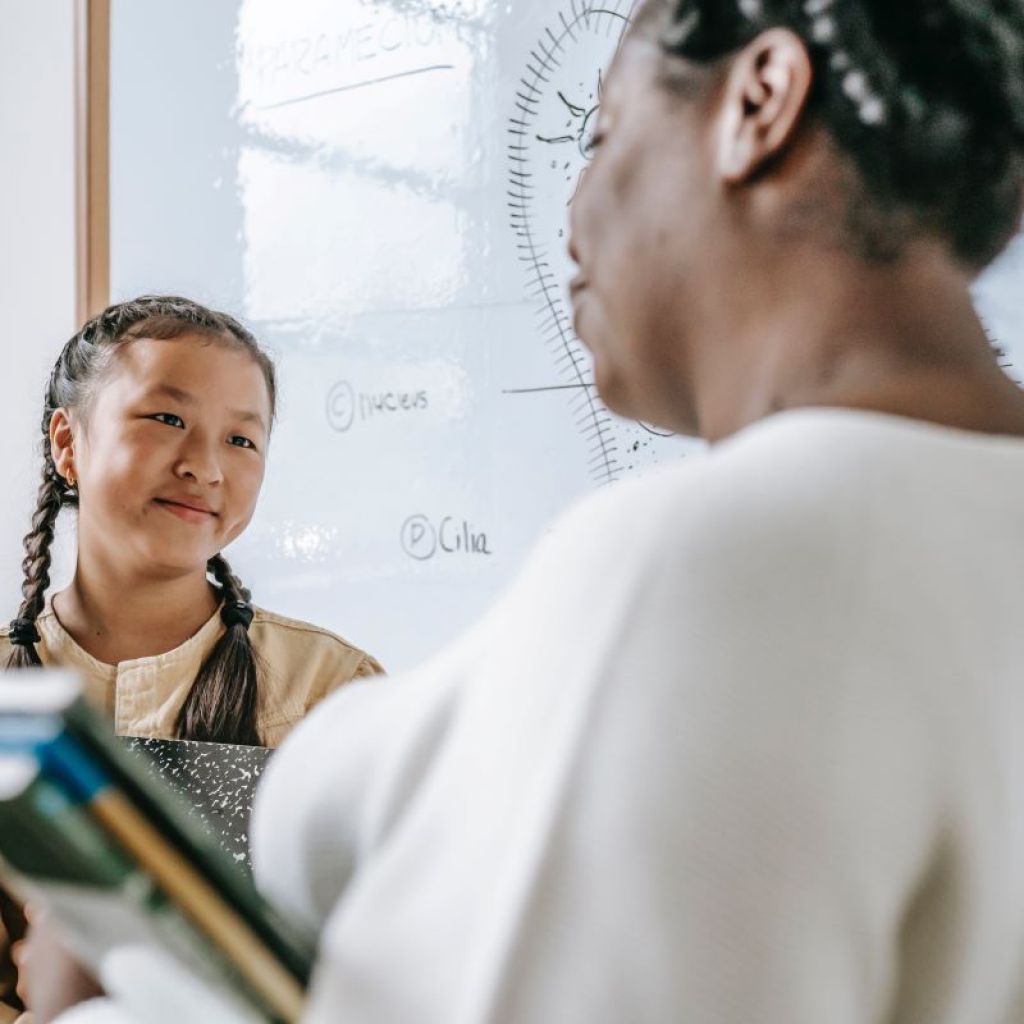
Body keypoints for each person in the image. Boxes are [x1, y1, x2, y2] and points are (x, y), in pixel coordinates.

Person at [39, 0, 1024, 1019]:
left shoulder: (713, 567)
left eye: (601, 137)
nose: (573, 211)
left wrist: (127, 988)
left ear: (760, 103)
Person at [0, 295, 382, 1022]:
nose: (205, 466)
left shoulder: (331, 691)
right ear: (66, 442)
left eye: (243, 440)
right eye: (167, 419)